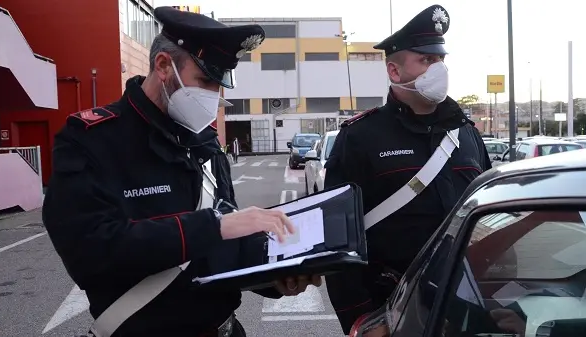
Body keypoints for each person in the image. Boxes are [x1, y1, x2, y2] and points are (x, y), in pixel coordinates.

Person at [42, 7, 321, 337]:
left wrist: (276, 275)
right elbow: (91, 251)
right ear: (163, 66)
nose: (213, 96)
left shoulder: (205, 144)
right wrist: (213, 226)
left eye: (218, 85)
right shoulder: (91, 140)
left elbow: (221, 250)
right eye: (204, 80)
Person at [323, 4, 492, 335]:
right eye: (426, 60)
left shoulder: (468, 135)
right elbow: (336, 240)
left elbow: (485, 217)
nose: (438, 68)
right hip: (392, 313)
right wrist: (360, 319)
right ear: (394, 71)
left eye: (440, 59)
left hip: (463, 310)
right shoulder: (360, 138)